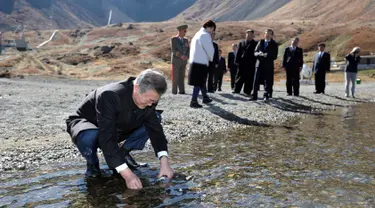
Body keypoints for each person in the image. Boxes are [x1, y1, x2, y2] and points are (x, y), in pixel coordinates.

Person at [65, 69, 173, 190]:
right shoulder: (110, 95)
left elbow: (155, 130)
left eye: (154, 101)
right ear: (136, 88)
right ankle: (93, 164)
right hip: (90, 124)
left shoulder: (149, 99)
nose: (150, 105)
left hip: (118, 124)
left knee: (156, 117)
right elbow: (107, 136)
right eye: (149, 100)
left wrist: (164, 162)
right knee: (90, 136)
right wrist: (127, 175)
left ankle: (122, 154)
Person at [188, 20, 216, 108]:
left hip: (194, 61)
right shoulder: (205, 35)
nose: (212, 32)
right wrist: (211, 58)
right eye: (213, 30)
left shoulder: (197, 34)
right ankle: (194, 101)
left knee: (201, 81)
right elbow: (209, 49)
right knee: (198, 81)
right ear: (210, 27)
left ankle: (205, 97)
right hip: (201, 62)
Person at [251, 29, 278, 101]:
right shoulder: (261, 42)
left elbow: (275, 56)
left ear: (272, 35)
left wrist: (267, 55)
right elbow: (255, 52)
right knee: (256, 80)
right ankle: (254, 96)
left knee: (267, 81)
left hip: (268, 65)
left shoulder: (274, 44)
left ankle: (266, 95)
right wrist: (258, 54)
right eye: (266, 33)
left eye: (269, 34)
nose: (267, 35)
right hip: (259, 64)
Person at [233, 29, 258, 96]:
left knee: (249, 78)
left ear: (253, 35)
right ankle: (236, 90)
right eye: (247, 34)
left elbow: (256, 54)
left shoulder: (256, 43)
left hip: (251, 63)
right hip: (242, 63)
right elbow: (238, 52)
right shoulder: (241, 42)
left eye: (250, 35)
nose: (248, 36)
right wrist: (237, 61)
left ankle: (247, 91)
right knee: (239, 77)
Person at [170, 25, 189, 95]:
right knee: (175, 76)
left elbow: (188, 49)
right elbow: (173, 50)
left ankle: (182, 91)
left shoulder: (186, 40)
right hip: (176, 61)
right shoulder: (173, 39)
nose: (185, 33)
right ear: (180, 31)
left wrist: (187, 56)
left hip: (183, 61)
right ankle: (174, 91)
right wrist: (181, 56)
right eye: (184, 31)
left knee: (182, 76)